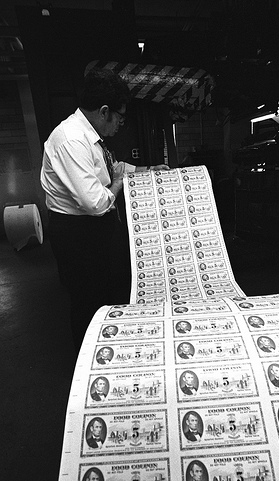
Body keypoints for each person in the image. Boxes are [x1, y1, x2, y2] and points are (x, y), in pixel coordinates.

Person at [40, 67, 169, 352]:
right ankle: (86, 358)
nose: (121, 124)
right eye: (120, 118)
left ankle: (104, 349)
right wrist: (121, 183)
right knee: (86, 300)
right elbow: (95, 202)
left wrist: (148, 170)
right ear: (104, 111)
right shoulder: (71, 140)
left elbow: (111, 170)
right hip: (76, 233)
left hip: (92, 229)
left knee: (102, 292)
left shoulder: (91, 137)